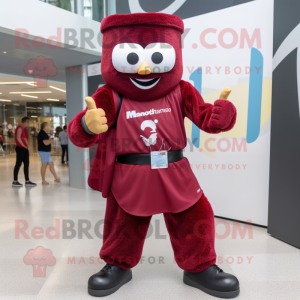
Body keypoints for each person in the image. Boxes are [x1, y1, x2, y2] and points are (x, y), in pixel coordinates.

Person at [69, 13, 239, 299]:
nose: (145, 69)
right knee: (123, 221)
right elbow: (80, 132)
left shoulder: (181, 89)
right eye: (132, 59)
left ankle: (198, 267)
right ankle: (118, 265)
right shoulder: (109, 95)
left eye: (157, 58)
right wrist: (87, 124)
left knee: (195, 216)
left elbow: (207, 118)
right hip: (130, 174)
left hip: (175, 168)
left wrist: (222, 113)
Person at [12, 117, 37, 187]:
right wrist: (24, 145)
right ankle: (15, 181)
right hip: (20, 148)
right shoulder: (20, 127)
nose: (28, 124)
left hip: (24, 148)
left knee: (26, 164)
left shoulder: (24, 129)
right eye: (28, 122)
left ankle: (27, 180)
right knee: (18, 164)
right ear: (25, 122)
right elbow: (18, 138)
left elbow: (24, 138)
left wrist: (27, 146)